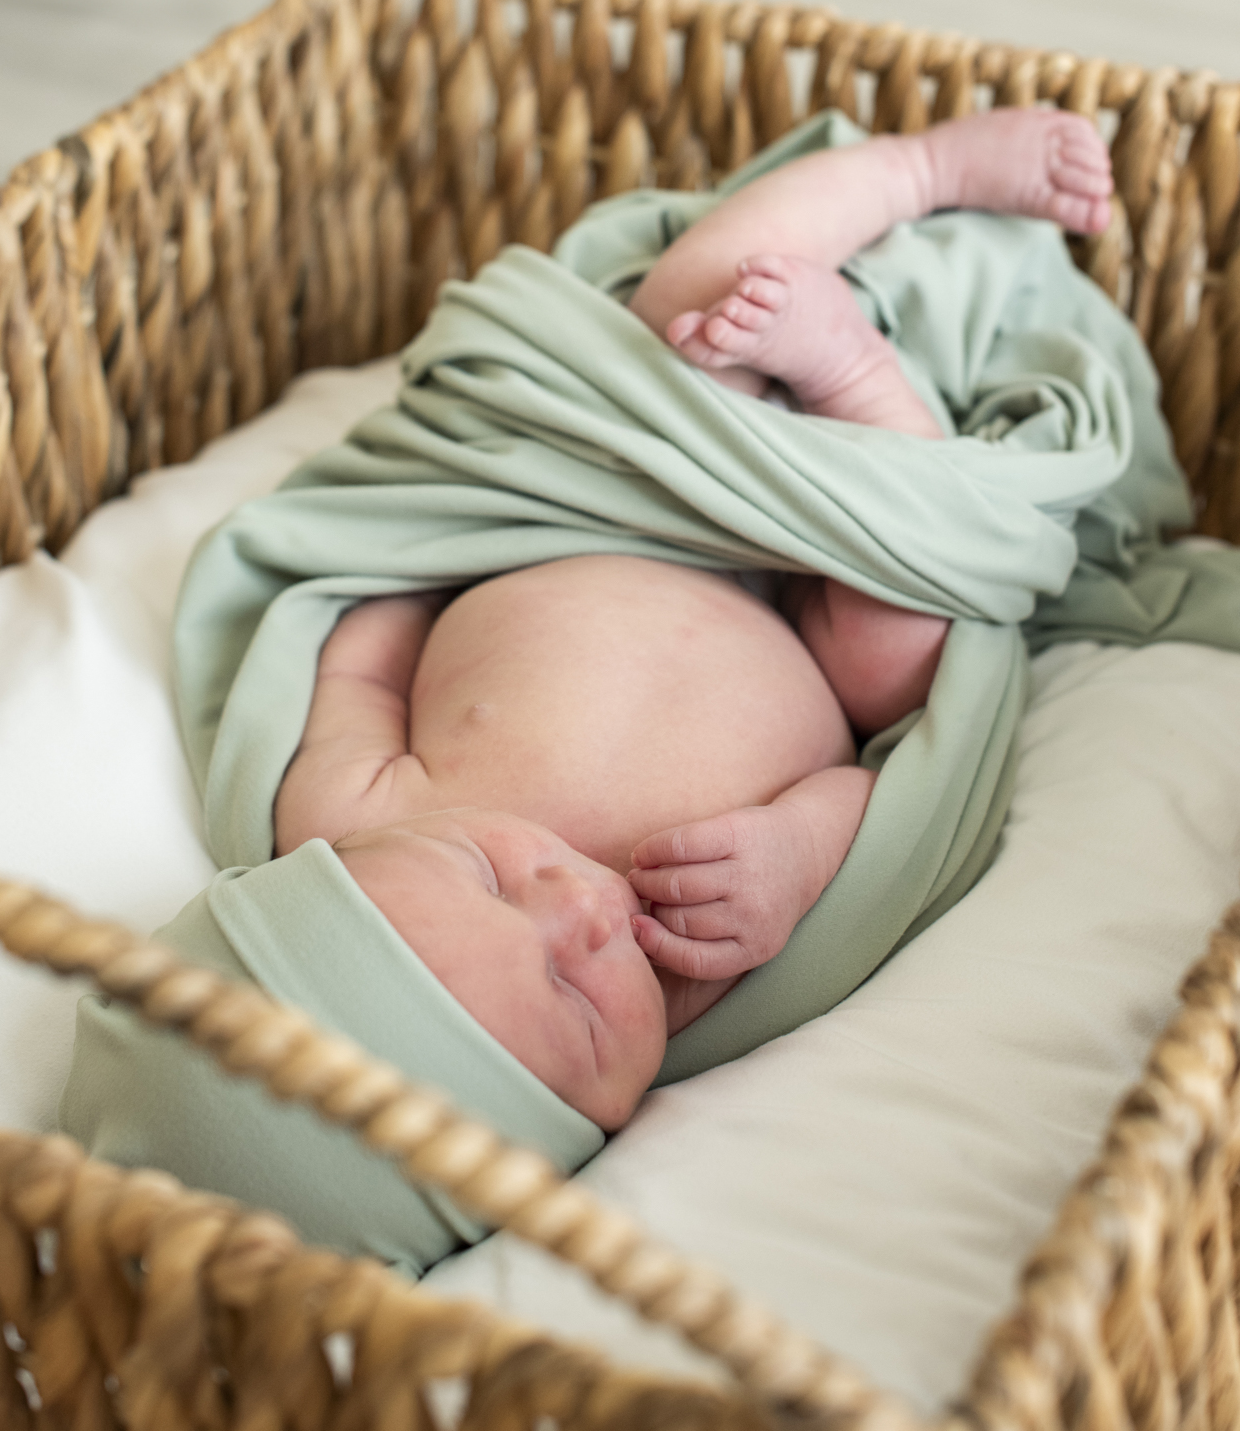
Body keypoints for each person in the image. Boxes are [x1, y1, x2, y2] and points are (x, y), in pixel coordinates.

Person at [272, 105, 1114, 1134]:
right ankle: (854, 377)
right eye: (579, 1006)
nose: (576, 909)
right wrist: (796, 862)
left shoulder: (344, 830)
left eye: (488, 880)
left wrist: (430, 537)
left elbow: (356, 670)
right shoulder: (711, 977)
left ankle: (919, 169)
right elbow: (872, 797)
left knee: (694, 304)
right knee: (905, 649)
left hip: (611, 503)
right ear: (598, 1119)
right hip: (817, 626)